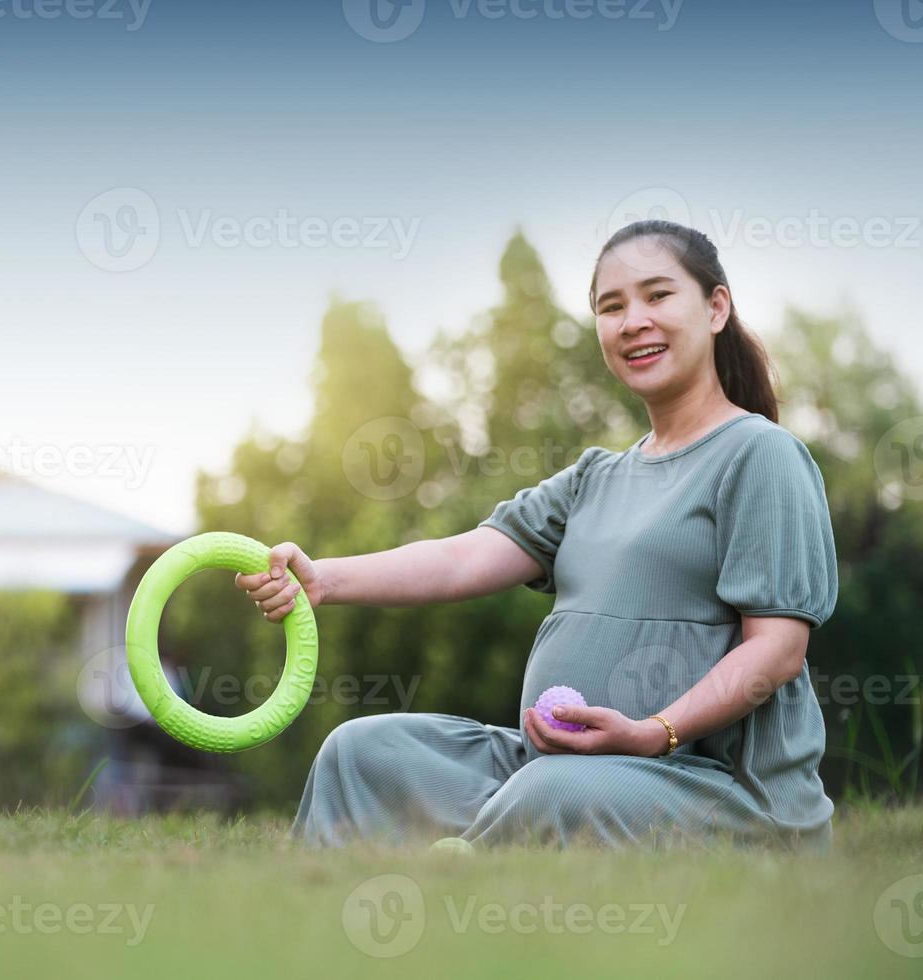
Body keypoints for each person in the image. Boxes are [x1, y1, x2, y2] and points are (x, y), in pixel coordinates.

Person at [238, 220, 840, 850]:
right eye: (611, 306)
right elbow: (460, 560)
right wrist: (325, 578)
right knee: (361, 751)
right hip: (556, 768)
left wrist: (653, 732)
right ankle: (322, 926)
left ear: (716, 308)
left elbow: (776, 651)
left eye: (657, 296)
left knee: (552, 792)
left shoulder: (761, 456)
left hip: (714, 788)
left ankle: (459, 893)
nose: (633, 320)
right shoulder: (594, 478)